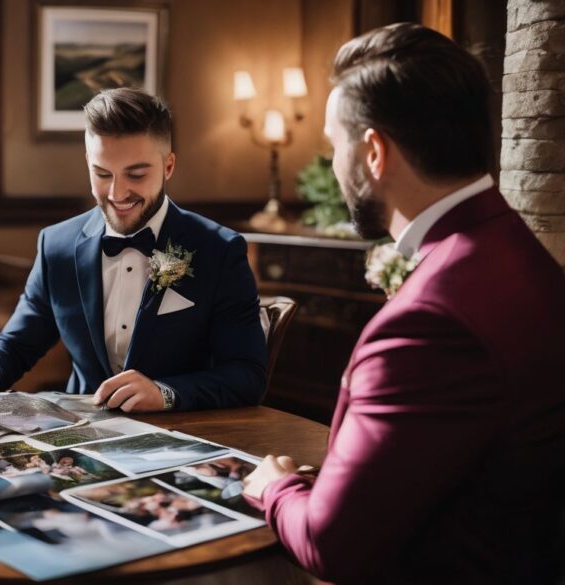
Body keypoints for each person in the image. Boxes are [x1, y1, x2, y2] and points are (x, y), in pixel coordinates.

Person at [241, 23, 565, 584]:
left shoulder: (431, 322)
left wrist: (275, 487)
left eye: (332, 143)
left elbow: (329, 544)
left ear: (372, 151)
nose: (332, 163)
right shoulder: (520, 250)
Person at [0, 87, 266, 412]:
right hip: (82, 438)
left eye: (136, 174)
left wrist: (165, 393)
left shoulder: (219, 250)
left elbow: (246, 376)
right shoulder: (57, 246)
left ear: (168, 166)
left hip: (186, 434)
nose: (117, 193)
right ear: (87, 163)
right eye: (102, 173)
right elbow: (19, 342)